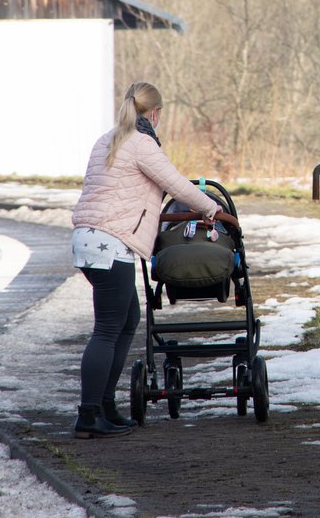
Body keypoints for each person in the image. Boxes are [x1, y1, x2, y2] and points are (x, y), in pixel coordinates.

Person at [70, 81, 220, 438]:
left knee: (126, 320)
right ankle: (89, 414)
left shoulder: (106, 139)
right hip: (111, 243)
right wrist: (211, 208)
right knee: (108, 329)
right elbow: (178, 185)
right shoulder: (142, 143)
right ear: (154, 113)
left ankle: (105, 406)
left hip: (88, 239)